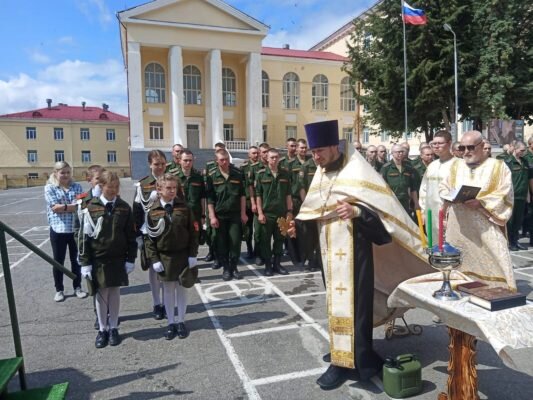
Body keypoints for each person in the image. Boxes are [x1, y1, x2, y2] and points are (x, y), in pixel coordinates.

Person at [288, 120, 430, 390]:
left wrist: (357, 213)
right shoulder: (321, 173)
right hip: (330, 254)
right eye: (312, 153)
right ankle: (342, 354)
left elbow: (384, 217)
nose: (315, 157)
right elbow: (315, 211)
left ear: (333, 146)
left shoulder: (358, 172)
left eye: (319, 151)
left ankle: (358, 359)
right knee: (336, 305)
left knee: (357, 308)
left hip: (357, 253)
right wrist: (299, 226)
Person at [440, 130, 516, 289]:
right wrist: (449, 196)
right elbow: (443, 187)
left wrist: (481, 203)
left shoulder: (498, 167)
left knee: (497, 261)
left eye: (470, 147)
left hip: (485, 225)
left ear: (482, 146)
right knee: (458, 266)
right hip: (459, 227)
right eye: (462, 148)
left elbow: (505, 193)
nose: (466, 152)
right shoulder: (455, 166)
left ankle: (497, 293)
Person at [79, 171, 137, 348]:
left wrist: (131, 258)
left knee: (114, 292)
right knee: (101, 293)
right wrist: (85, 262)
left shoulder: (124, 208)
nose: (113, 191)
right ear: (101, 186)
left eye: (116, 187)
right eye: (109, 187)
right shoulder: (90, 207)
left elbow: (130, 236)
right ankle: (102, 329)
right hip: (98, 259)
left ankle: (114, 327)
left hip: (118, 258)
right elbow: (83, 238)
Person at [144, 174, 199, 340]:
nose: (172, 191)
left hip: (182, 255)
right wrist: (154, 259)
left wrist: (192, 255)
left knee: (182, 289)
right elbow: (149, 239)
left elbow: (193, 233)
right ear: (159, 190)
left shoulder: (184, 208)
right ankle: (171, 322)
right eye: (168, 188)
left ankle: (181, 321)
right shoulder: (152, 212)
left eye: (174, 188)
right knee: (168, 290)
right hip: (165, 257)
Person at [44, 161, 87, 302]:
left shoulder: (77, 186)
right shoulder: (50, 188)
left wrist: (64, 207)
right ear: (55, 173)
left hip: (75, 229)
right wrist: (72, 206)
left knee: (76, 260)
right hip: (58, 230)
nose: (66, 175)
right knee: (58, 261)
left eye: (68, 172)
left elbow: (82, 205)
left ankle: (77, 287)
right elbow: (54, 207)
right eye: (62, 172)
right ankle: (59, 289)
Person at [133, 150, 167, 320]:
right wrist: (138, 236)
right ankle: (157, 304)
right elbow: (137, 212)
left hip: (168, 232)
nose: (160, 167)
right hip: (150, 233)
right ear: (150, 165)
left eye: (162, 163)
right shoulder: (143, 185)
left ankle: (168, 302)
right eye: (156, 164)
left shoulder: (172, 181)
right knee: (154, 270)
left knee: (168, 269)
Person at [206, 149, 248, 281]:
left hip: (235, 215)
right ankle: (226, 268)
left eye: (226, 160)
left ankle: (234, 267)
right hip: (220, 216)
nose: (225, 162)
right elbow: (210, 199)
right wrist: (212, 216)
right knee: (222, 243)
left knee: (235, 242)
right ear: (216, 161)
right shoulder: (212, 176)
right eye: (222, 160)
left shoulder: (238, 173)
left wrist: (243, 213)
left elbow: (242, 195)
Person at [75, 164, 104, 330]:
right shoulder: (83, 201)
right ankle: (98, 315)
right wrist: (81, 251)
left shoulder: (110, 197)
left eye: (103, 180)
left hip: (107, 250)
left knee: (108, 285)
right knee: (93, 286)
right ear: (89, 180)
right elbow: (77, 230)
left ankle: (109, 314)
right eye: (97, 180)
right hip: (90, 250)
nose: (101, 183)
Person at [255, 148, 293, 276]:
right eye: (272, 157)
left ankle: (277, 264)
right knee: (265, 241)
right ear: (267, 158)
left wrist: (289, 211)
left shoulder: (285, 174)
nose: (274, 159)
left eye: (276, 157)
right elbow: (258, 195)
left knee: (280, 239)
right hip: (267, 214)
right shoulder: (261, 174)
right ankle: (267, 265)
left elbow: (288, 194)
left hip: (281, 213)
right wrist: (260, 213)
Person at [419, 130, 455, 241]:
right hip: (431, 213)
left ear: (449, 144)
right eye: (434, 144)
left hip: (449, 215)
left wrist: (448, 214)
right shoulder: (432, 166)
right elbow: (424, 189)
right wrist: (423, 211)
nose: (436, 146)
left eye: (440, 143)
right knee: (434, 245)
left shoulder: (458, 164)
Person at [503, 141, 533, 251]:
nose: (523, 152)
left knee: (518, 220)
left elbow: (528, 179)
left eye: (524, 150)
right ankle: (510, 242)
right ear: (515, 149)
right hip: (511, 196)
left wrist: (528, 195)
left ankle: (515, 241)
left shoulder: (525, 162)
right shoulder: (508, 162)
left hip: (522, 195)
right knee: (510, 221)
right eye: (521, 150)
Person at [380, 144, 420, 215]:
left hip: (405, 201)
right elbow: (381, 186)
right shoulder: (386, 168)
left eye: (402, 152)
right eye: (398, 152)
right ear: (392, 153)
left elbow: (413, 188)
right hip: (392, 200)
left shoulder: (408, 168)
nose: (400, 154)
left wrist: (416, 203)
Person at [240, 146, 260, 259]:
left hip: (258, 201)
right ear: (249, 155)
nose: (255, 155)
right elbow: (243, 185)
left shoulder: (261, 167)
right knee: (248, 228)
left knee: (258, 229)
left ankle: (257, 249)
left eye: (257, 153)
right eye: (253, 153)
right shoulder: (244, 167)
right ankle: (249, 248)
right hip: (247, 201)